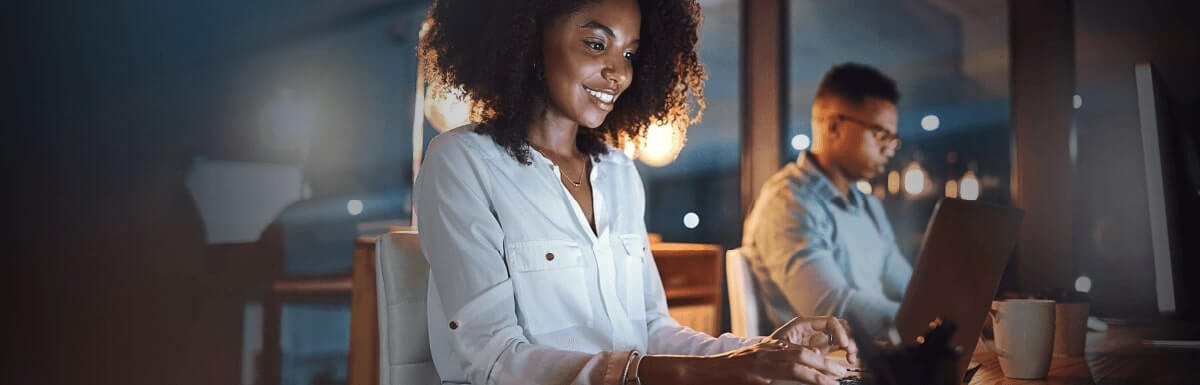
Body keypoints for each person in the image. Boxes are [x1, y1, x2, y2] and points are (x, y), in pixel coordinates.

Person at [414, 1, 858, 384]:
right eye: (596, 44)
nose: (619, 73)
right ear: (529, 36)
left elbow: (650, 329)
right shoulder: (461, 162)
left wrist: (765, 352)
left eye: (629, 53)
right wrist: (699, 373)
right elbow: (492, 360)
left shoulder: (618, 172)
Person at [741, 63, 912, 339]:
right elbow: (832, 309)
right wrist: (929, 318)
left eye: (892, 139)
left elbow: (908, 286)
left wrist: (954, 311)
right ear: (834, 126)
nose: (888, 149)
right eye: (881, 135)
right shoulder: (787, 203)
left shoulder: (868, 206)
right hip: (818, 371)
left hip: (871, 362)